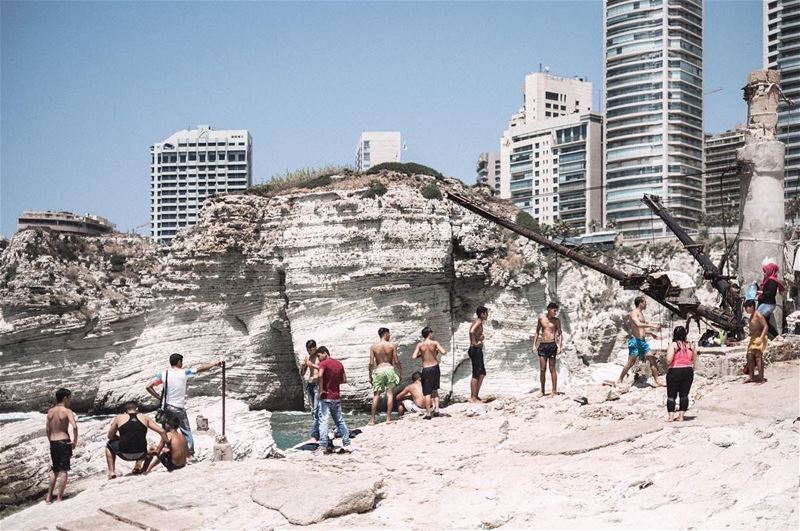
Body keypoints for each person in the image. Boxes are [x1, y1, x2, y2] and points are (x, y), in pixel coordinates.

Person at [145, 353, 223, 455]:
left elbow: (148, 386)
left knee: (167, 431)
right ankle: (189, 454)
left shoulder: (163, 374)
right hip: (178, 408)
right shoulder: (184, 372)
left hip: (166, 407)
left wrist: (159, 397)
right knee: (186, 431)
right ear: (179, 362)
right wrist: (214, 364)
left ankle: (170, 452)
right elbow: (201, 369)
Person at [105, 401, 167, 479]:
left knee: (109, 444)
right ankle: (142, 468)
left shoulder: (119, 418)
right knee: (141, 442)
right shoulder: (145, 418)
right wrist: (159, 449)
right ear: (137, 409)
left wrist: (120, 438)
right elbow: (162, 432)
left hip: (124, 454)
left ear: (125, 411)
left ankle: (111, 472)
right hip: (141, 453)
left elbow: (110, 436)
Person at [618, 296, 664, 386]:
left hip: (642, 342)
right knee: (630, 363)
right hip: (635, 341)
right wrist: (652, 325)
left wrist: (651, 333)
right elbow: (638, 325)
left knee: (652, 360)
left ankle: (657, 380)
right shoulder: (633, 313)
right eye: (645, 302)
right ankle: (620, 379)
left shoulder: (641, 313)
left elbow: (641, 330)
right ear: (640, 303)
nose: (646, 304)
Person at [45, 388, 78, 504]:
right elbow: (74, 426)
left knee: (55, 470)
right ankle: (59, 498)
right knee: (64, 470)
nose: (70, 400)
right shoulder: (67, 411)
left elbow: (48, 429)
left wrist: (51, 441)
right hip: (64, 441)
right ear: (65, 398)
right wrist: (75, 441)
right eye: (69, 398)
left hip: (53, 442)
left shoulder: (50, 411)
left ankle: (49, 498)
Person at [317, 346, 350, 454]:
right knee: (340, 421)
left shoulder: (324, 363)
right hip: (336, 397)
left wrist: (322, 389)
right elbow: (344, 380)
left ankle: (323, 445)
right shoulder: (339, 364)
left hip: (326, 397)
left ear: (324, 353)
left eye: (319, 356)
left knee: (323, 421)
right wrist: (334, 383)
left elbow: (320, 375)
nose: (318, 359)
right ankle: (346, 442)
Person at [369, 327, 403, 425]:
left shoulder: (374, 347)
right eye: (389, 334)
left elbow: (371, 363)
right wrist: (401, 372)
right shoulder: (392, 345)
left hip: (379, 369)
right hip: (389, 369)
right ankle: (388, 419)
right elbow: (396, 360)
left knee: (376, 395)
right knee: (390, 394)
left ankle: (372, 420)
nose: (390, 335)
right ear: (385, 334)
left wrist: (370, 375)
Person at [412, 326, 447, 419]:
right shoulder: (434, 343)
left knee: (427, 392)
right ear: (429, 333)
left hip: (426, 369)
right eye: (432, 333)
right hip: (435, 367)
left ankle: (428, 414)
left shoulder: (420, 345)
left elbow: (414, 356)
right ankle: (436, 411)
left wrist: (422, 355)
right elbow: (443, 351)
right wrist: (436, 351)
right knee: (435, 390)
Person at [665, 326, 697, 422]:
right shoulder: (691, 346)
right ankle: (681, 416)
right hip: (688, 370)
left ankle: (671, 417)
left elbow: (668, 360)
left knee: (671, 395)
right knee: (684, 395)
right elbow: (694, 359)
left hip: (675, 371)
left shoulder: (674, 345)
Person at [532, 302, 563, 398]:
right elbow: (537, 332)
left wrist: (559, 346)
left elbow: (560, 333)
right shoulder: (541, 319)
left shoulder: (556, 321)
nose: (555, 312)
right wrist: (534, 345)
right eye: (554, 310)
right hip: (543, 345)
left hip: (552, 345)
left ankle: (554, 391)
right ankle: (542, 391)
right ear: (549, 309)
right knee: (542, 369)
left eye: (556, 311)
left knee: (552, 368)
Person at [300, 339, 321, 441]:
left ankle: (314, 434)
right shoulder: (307, 357)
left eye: (310, 350)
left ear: (315, 348)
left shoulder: (319, 356)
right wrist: (303, 367)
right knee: (313, 411)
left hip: (318, 385)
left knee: (317, 410)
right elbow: (303, 373)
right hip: (310, 385)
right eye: (308, 350)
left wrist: (311, 365)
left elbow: (322, 369)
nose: (309, 352)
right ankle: (318, 432)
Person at [756, 262, 785, 337]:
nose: (764, 273)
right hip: (765, 303)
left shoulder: (772, 281)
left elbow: (771, 293)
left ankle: (773, 337)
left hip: (768, 304)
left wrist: (761, 292)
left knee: (759, 319)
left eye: (765, 272)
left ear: (770, 271)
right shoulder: (768, 280)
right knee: (765, 322)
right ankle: (775, 337)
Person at [744, 299, 768, 383]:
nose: (746, 309)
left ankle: (761, 378)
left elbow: (765, 326)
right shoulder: (751, 316)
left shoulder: (758, 315)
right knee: (749, 356)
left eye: (747, 307)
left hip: (760, 338)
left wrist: (761, 338)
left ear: (752, 307)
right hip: (753, 338)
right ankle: (751, 377)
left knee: (758, 357)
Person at [468, 306, 489, 403]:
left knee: (482, 373)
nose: (487, 315)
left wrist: (479, 338)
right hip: (475, 350)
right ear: (482, 314)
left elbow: (474, 332)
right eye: (486, 313)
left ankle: (476, 395)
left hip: (476, 350)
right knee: (476, 374)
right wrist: (475, 343)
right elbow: (471, 331)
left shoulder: (478, 321)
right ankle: (473, 397)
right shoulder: (479, 321)